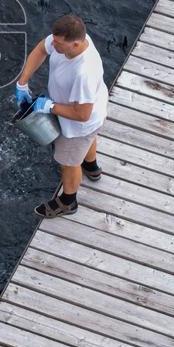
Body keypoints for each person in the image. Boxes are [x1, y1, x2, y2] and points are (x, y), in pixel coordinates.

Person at [15, 13, 108, 218]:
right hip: (92, 111)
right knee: (88, 141)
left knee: (68, 161)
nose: (52, 45)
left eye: (58, 43)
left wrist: (49, 106)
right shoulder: (70, 42)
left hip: (80, 124)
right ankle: (91, 166)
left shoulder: (84, 72)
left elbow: (82, 114)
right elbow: (41, 48)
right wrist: (22, 82)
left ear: (75, 44)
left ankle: (68, 201)